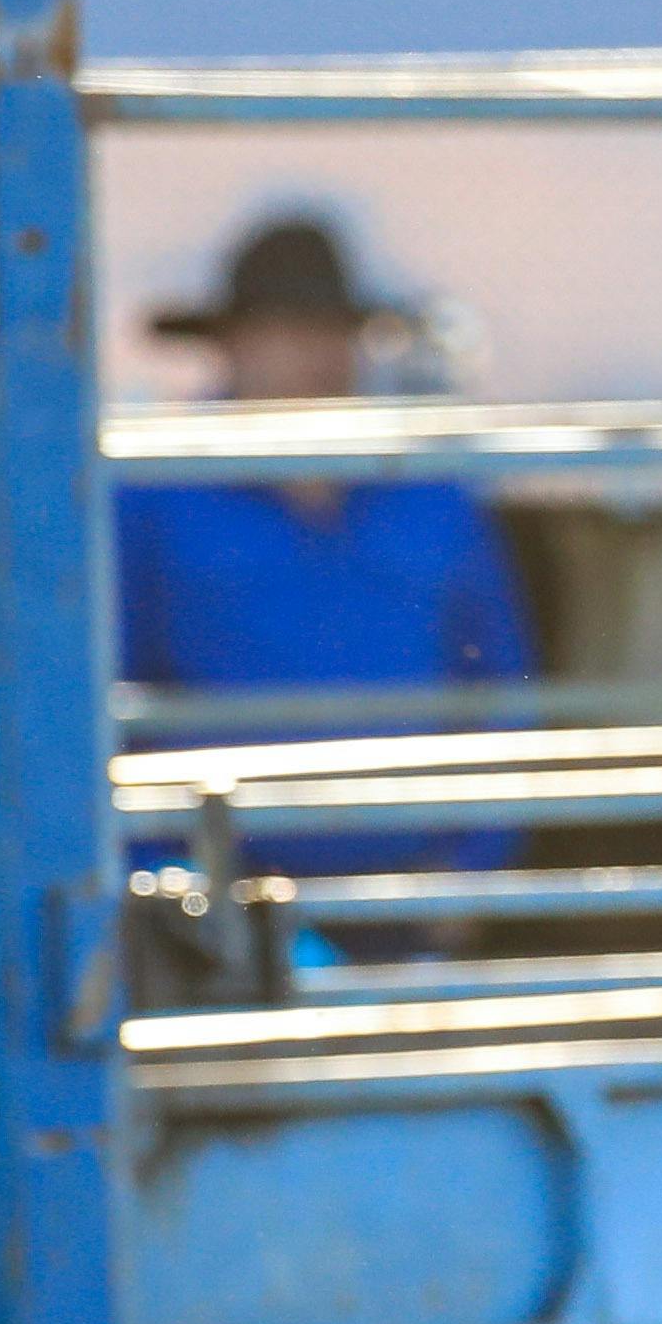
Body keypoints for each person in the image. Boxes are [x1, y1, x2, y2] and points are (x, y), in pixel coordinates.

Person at [113, 216, 538, 904]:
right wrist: (166, 879)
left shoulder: (431, 487)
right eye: (288, 330)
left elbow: (500, 682)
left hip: (410, 894)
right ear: (231, 345)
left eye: (334, 331)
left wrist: (471, 867)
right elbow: (108, 693)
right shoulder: (155, 491)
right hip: (218, 901)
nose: (317, 355)